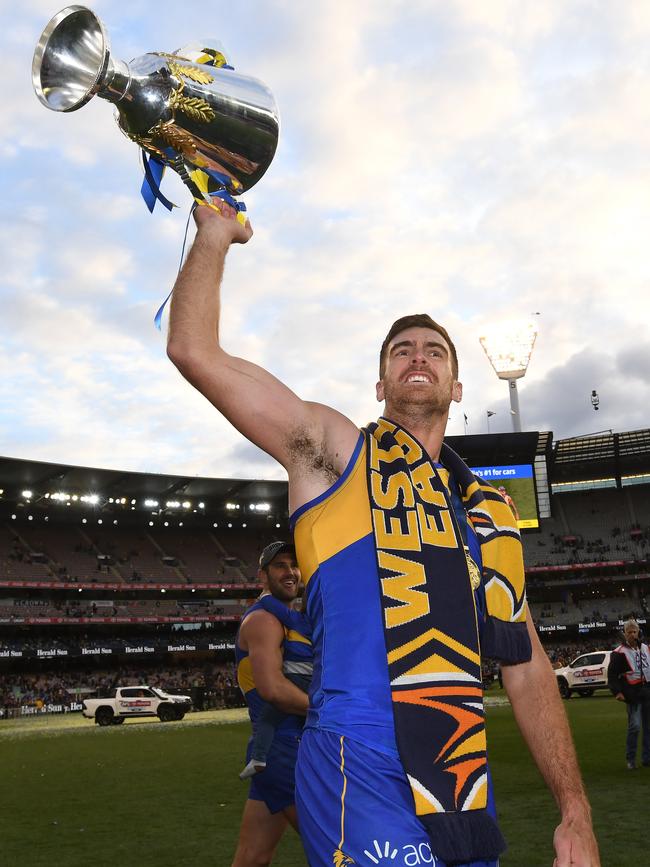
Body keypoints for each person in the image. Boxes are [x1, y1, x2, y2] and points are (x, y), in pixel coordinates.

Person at [167, 201, 600, 867]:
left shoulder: (490, 515)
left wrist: (574, 807)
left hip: (457, 782)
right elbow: (194, 351)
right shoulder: (336, 452)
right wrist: (214, 236)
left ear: (457, 385)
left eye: (433, 350)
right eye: (401, 350)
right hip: (354, 755)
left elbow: (527, 663)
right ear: (380, 381)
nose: (417, 356)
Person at [231, 541, 309, 866]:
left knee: (252, 857)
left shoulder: (288, 619)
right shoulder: (263, 621)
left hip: (276, 752)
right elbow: (273, 690)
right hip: (283, 750)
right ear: (262, 576)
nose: (289, 572)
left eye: (294, 564)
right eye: (279, 566)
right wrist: (330, 709)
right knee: (338, 845)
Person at [607, 618, 650, 769]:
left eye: (634, 631)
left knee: (648, 727)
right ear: (624, 634)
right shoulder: (619, 653)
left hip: (647, 691)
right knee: (635, 726)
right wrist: (617, 692)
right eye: (629, 632)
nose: (632, 634)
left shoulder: (646, 648)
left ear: (639, 632)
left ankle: (647, 758)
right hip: (632, 694)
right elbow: (612, 674)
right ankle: (631, 759)